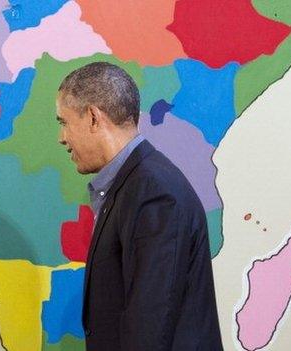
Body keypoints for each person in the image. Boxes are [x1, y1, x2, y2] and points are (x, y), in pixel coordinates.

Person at [56, 62, 223, 350]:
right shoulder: (136, 185)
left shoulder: (154, 193)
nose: (63, 138)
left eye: (64, 123)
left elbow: (150, 323)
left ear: (94, 118)